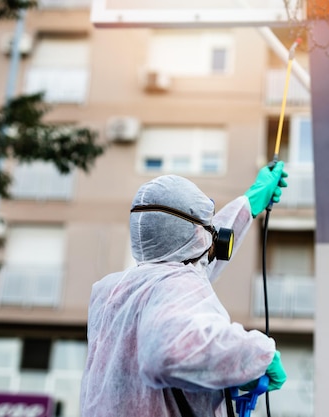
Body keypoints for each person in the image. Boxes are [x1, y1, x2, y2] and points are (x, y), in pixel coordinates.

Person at [80, 162, 289, 417]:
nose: (215, 236)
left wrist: (248, 204)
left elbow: (194, 259)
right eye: (210, 228)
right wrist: (256, 354)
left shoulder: (112, 293)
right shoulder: (178, 285)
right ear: (198, 234)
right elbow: (169, 352)